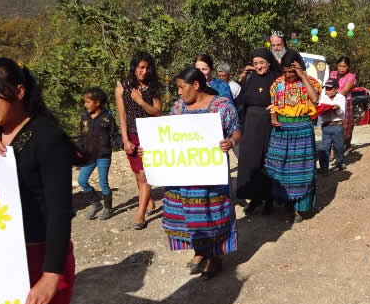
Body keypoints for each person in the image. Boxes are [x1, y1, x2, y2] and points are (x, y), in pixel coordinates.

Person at [0, 58, 76, 304]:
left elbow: (59, 212)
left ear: (19, 92)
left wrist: (51, 275)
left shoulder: (47, 137)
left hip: (39, 258)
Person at [146, 68, 240, 279]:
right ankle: (200, 251)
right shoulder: (178, 108)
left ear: (196, 85)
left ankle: (215, 257)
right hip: (184, 175)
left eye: (181, 87)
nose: (178, 92)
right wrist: (150, 149)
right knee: (190, 214)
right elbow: (167, 136)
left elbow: (236, 130)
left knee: (211, 214)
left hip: (211, 175)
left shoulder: (222, 106)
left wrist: (231, 142)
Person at [265, 50, 321, 223]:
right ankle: (287, 204)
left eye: (292, 72)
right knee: (280, 167)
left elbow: (315, 99)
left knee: (301, 168)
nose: (288, 75)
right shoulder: (277, 84)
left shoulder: (310, 82)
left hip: (302, 129)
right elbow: (273, 104)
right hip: (282, 130)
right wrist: (273, 117)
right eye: (285, 72)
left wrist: (302, 76)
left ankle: (300, 209)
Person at [115, 52, 162, 230]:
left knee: (144, 174)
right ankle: (149, 202)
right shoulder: (122, 87)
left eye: (147, 68)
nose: (144, 71)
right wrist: (125, 140)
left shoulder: (152, 86)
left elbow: (157, 112)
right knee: (137, 173)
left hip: (149, 135)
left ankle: (139, 216)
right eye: (141, 67)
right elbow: (122, 117)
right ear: (134, 67)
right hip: (132, 135)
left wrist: (141, 102)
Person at [235, 49, 280, 215]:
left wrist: (277, 107)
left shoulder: (277, 78)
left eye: (262, 63)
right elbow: (240, 101)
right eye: (255, 64)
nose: (259, 67)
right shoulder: (249, 78)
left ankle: (269, 200)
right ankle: (255, 198)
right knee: (251, 162)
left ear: (269, 62)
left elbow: (283, 100)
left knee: (268, 161)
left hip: (269, 125)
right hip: (251, 125)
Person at [77, 87, 121, 220]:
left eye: (87, 102)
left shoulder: (108, 117)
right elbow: (81, 137)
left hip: (103, 155)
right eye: (84, 102)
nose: (85, 104)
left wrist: (124, 145)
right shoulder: (84, 117)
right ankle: (96, 203)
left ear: (97, 103)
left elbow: (115, 134)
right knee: (82, 180)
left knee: (103, 183)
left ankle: (108, 208)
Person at [316, 78, 346, 173]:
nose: (327, 91)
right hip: (326, 127)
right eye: (326, 89)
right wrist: (323, 110)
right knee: (324, 148)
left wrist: (337, 108)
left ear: (336, 89)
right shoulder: (323, 98)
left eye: (329, 89)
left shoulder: (341, 98)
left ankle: (339, 162)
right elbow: (320, 113)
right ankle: (324, 167)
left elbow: (342, 113)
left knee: (339, 146)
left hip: (337, 126)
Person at [328, 56, 357, 150]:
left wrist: (331, 94)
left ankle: (347, 144)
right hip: (332, 102)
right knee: (333, 124)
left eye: (344, 66)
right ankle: (333, 149)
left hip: (345, 103)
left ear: (348, 67)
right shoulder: (332, 74)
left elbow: (344, 91)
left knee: (346, 126)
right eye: (340, 66)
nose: (341, 68)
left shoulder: (351, 77)